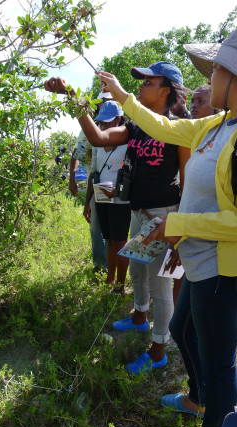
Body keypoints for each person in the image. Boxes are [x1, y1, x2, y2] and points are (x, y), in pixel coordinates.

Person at [96, 28, 237, 427]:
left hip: (225, 272)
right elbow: (161, 126)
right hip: (199, 263)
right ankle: (198, 401)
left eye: (215, 73)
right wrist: (123, 97)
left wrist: (183, 225)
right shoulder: (216, 124)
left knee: (218, 364)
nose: (207, 81)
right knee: (181, 329)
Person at [44, 61, 191, 375]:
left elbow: (186, 178)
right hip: (138, 212)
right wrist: (71, 95)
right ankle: (139, 319)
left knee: (160, 285)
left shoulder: (179, 126)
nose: (140, 85)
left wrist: (181, 227)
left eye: (147, 82)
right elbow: (98, 137)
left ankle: (158, 351)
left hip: (163, 216)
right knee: (137, 272)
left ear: (166, 89)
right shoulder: (136, 125)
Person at [84, 100, 131, 293]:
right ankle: (109, 280)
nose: (104, 126)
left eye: (108, 123)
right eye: (101, 123)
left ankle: (121, 285)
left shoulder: (127, 142)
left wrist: (118, 192)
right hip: (102, 193)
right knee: (109, 239)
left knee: (120, 241)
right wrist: (87, 202)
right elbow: (93, 172)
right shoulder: (97, 143)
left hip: (122, 199)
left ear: (118, 120)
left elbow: (133, 172)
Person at [69, 92, 113, 273]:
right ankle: (100, 263)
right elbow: (77, 153)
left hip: (115, 185)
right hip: (97, 183)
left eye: (108, 101)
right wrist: (71, 179)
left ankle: (111, 266)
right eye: (102, 102)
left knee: (111, 229)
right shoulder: (91, 127)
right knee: (96, 225)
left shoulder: (123, 126)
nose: (104, 105)